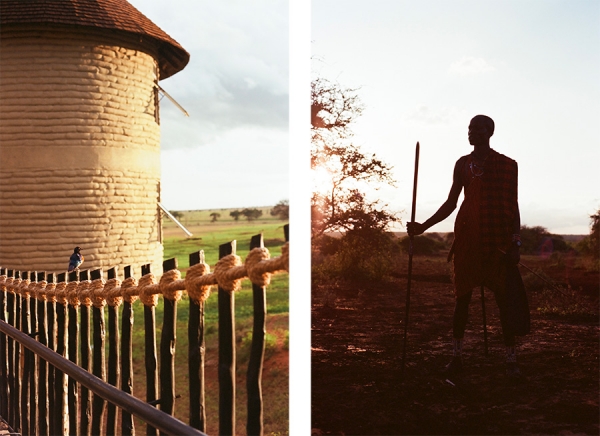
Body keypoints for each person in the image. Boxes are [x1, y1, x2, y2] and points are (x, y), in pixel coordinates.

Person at [407, 115, 522, 377]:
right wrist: (423, 226)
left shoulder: (508, 165)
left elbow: (513, 206)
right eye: (470, 129)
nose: (472, 133)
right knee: (462, 299)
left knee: (504, 302)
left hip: (498, 242)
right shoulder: (462, 165)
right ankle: (456, 357)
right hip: (468, 239)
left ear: (489, 133)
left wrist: (516, 242)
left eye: (478, 130)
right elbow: (451, 203)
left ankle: (511, 359)